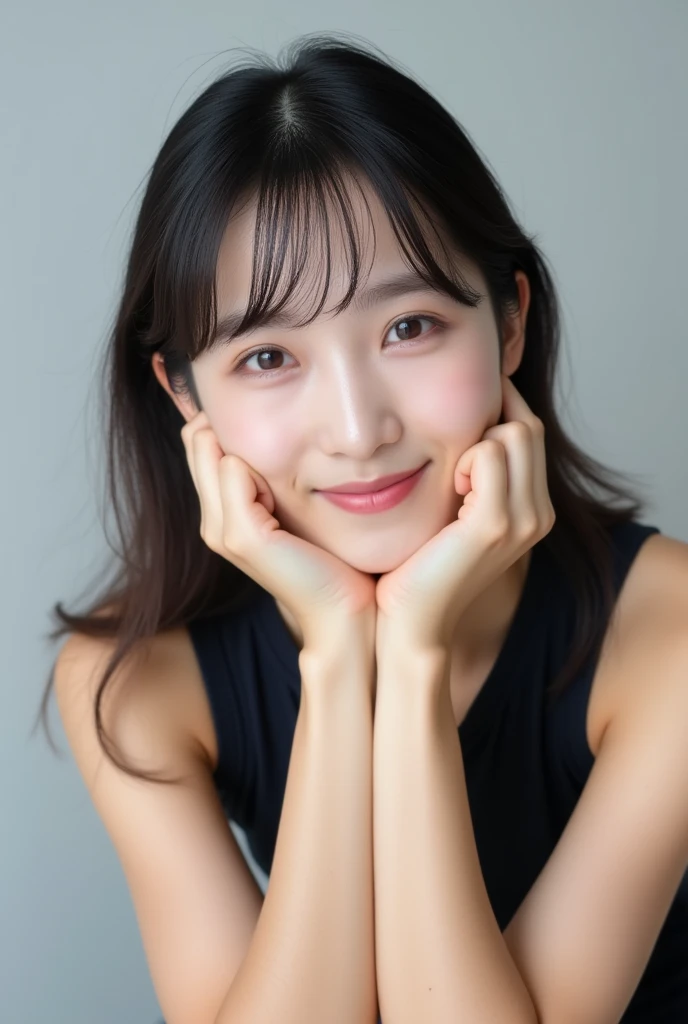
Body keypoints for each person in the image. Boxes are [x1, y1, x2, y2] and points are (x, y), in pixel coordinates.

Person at [38, 32, 688, 1024]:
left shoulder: (670, 634)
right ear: (182, 391)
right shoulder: (133, 683)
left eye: (408, 327)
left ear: (507, 323)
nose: (358, 428)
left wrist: (413, 655)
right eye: (266, 357)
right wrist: (342, 657)